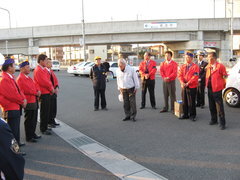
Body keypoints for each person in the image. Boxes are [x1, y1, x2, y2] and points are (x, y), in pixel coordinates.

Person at [0, 58, 27, 147]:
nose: (15, 67)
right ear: (9, 67)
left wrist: (23, 99)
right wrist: (22, 101)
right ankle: (14, 150)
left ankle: (17, 144)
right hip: (10, 108)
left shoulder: (10, 77)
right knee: (12, 131)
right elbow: (12, 95)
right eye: (14, 65)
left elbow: (18, 91)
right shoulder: (4, 79)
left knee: (16, 129)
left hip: (15, 107)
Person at [16, 61, 41, 143]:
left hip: (34, 100)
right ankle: (29, 136)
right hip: (29, 101)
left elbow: (35, 86)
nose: (29, 68)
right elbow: (23, 91)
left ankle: (32, 133)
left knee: (34, 119)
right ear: (22, 69)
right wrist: (35, 92)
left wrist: (38, 90)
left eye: (28, 67)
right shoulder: (20, 79)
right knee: (29, 119)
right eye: (27, 67)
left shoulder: (28, 77)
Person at [205, 52, 227, 130]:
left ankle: (222, 123)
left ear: (214, 58)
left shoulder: (220, 66)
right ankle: (214, 119)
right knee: (211, 105)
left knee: (219, 107)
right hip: (209, 88)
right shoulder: (208, 66)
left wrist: (222, 85)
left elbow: (225, 76)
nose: (208, 59)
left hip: (217, 89)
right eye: (208, 57)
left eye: (210, 57)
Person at [34, 54, 54, 135]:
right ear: (41, 61)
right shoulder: (39, 69)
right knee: (44, 111)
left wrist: (51, 88)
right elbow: (44, 82)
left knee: (47, 111)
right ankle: (43, 129)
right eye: (46, 60)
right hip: (44, 93)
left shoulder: (43, 69)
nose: (47, 62)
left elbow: (48, 80)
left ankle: (45, 127)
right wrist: (51, 88)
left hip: (47, 92)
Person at [178, 52, 199, 121]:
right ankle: (185, 114)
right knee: (184, 101)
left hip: (192, 86)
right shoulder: (183, 66)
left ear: (192, 58)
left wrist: (188, 83)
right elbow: (179, 75)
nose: (187, 59)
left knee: (192, 101)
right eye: (186, 57)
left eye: (189, 57)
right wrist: (182, 82)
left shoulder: (195, 66)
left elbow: (195, 76)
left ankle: (192, 115)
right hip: (184, 86)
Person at [46, 58, 60, 128]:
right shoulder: (45, 71)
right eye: (50, 63)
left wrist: (57, 86)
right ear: (46, 63)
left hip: (54, 92)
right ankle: (49, 122)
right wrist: (52, 89)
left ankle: (53, 120)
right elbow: (46, 82)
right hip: (49, 92)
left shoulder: (51, 71)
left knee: (54, 107)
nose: (51, 64)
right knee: (49, 108)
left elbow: (55, 80)